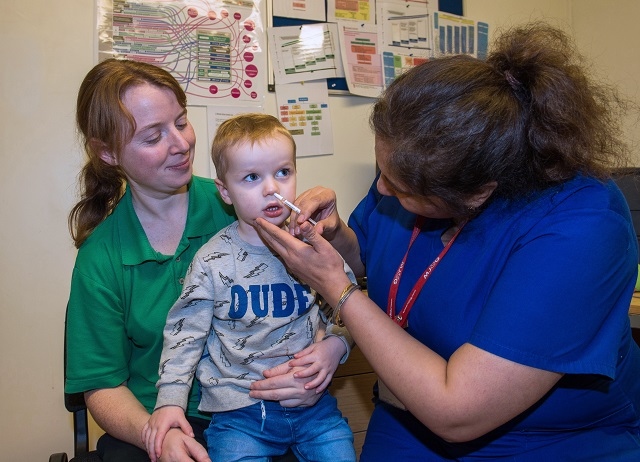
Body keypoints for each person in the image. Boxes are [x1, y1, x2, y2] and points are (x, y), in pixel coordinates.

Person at [251, 23, 640, 460]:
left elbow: (459, 412)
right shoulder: (424, 166)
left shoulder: (581, 226)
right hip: (406, 418)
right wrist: (337, 236)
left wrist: (337, 290)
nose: (381, 192)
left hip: (545, 439)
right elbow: (370, 258)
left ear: (476, 193)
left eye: (398, 187)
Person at [65, 59, 333, 462]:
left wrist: (322, 359)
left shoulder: (245, 205)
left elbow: (327, 295)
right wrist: (158, 435)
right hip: (155, 420)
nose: (181, 143)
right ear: (108, 153)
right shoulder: (101, 258)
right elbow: (101, 386)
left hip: (259, 410)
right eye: (154, 136)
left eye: (181, 121)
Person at [142, 113, 356, 462]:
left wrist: (335, 345)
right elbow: (185, 335)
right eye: (252, 177)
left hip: (314, 409)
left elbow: (349, 305)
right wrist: (169, 401)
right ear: (225, 191)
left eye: (283, 172)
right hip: (238, 417)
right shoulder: (211, 261)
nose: (271, 188)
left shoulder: (314, 248)